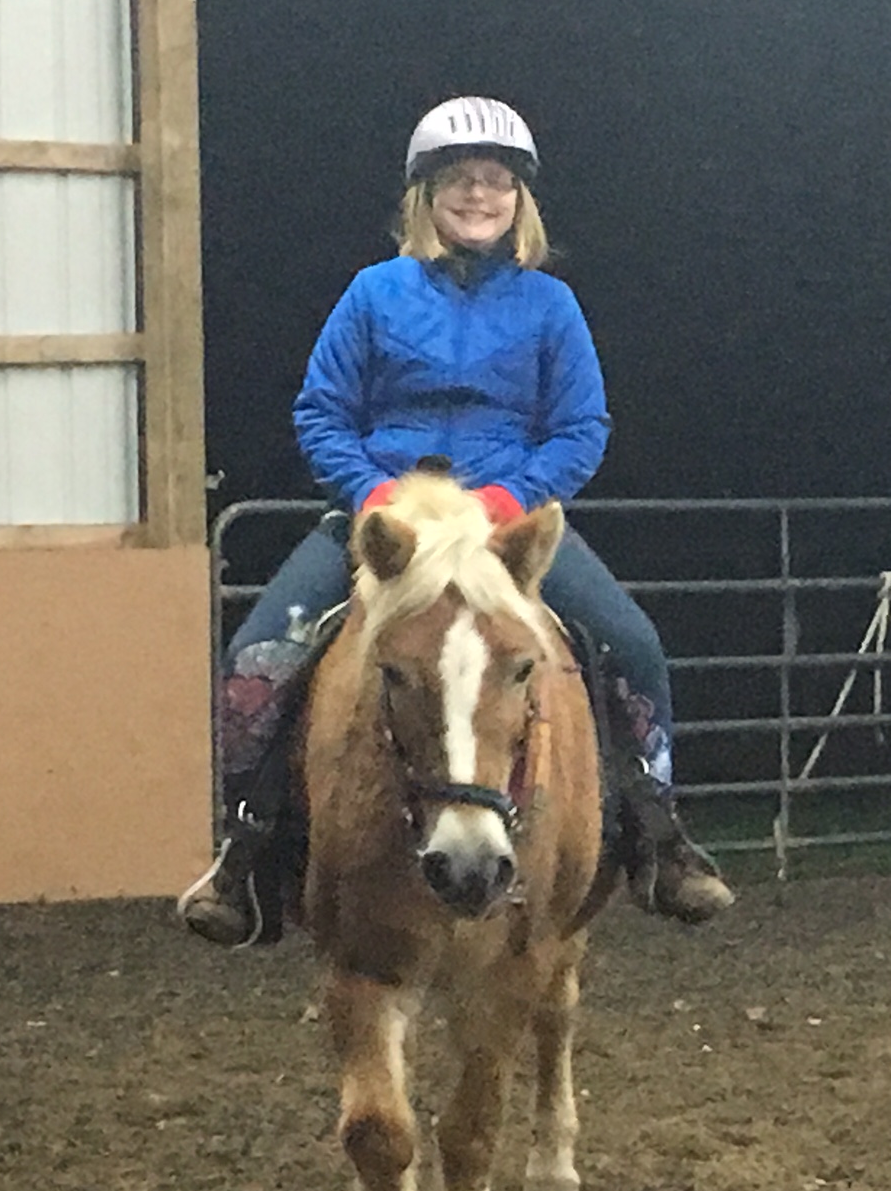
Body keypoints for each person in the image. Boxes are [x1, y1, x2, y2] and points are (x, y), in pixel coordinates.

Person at [179, 96, 734, 945]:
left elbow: (582, 427)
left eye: (497, 182)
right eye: (461, 180)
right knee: (258, 656)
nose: (480, 195)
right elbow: (322, 413)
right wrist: (374, 499)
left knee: (632, 643)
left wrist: (506, 505)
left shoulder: (550, 307)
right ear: (426, 194)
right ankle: (245, 848)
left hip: (500, 525)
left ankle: (659, 836)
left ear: (520, 200)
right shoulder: (373, 295)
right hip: (391, 524)